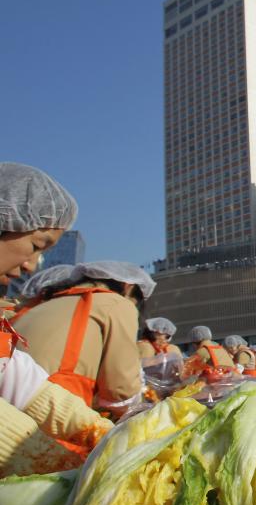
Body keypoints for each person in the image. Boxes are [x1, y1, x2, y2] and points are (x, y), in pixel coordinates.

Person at [0, 163, 113, 476]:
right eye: (36, 246)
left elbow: (21, 382)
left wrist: (104, 435)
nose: (31, 266)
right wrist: (44, 458)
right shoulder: (114, 304)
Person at [17, 260, 155, 417]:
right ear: (128, 286)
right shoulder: (117, 304)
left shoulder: (43, 305)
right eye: (135, 301)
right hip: (51, 415)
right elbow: (121, 389)